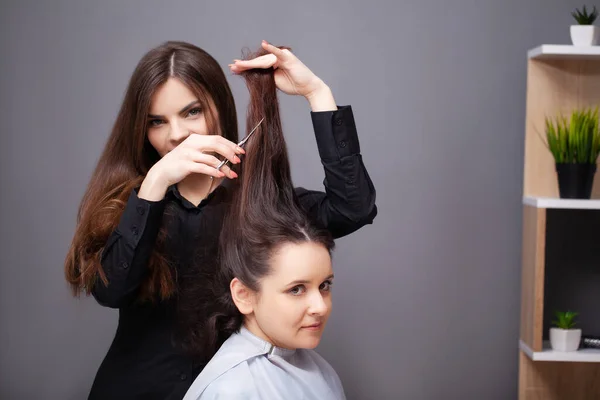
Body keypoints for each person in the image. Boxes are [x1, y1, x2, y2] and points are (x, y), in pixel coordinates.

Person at [64, 39, 376, 400]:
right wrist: (156, 183)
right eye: (157, 122)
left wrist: (317, 93)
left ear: (218, 106)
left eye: (192, 112)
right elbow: (111, 291)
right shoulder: (134, 200)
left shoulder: (262, 200)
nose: (176, 134)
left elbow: (355, 207)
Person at [182, 48, 346, 399]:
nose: (320, 306)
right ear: (243, 294)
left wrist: (317, 92)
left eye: (326, 285)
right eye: (297, 289)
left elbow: (354, 206)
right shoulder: (230, 390)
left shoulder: (323, 373)